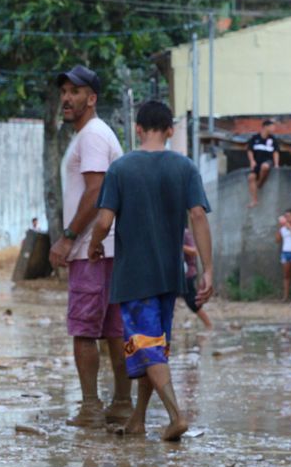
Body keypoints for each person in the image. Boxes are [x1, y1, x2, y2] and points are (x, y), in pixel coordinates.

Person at [89, 100, 213, 442]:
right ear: (171, 130)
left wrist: (93, 244)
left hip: (134, 275)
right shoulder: (185, 167)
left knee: (147, 347)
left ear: (138, 129)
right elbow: (199, 216)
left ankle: (176, 416)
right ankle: (138, 420)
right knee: (153, 346)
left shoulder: (121, 169)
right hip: (169, 276)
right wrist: (208, 270)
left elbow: (103, 219)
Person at [47, 64, 130, 428]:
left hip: (93, 249)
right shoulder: (92, 134)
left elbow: (96, 192)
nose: (66, 98)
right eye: (64, 91)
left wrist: (68, 238)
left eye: (75, 92)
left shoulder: (92, 136)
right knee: (113, 330)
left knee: (84, 330)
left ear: (91, 99)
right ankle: (122, 405)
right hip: (109, 247)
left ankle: (92, 406)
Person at [182, 228, 212, 329]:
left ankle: (209, 325)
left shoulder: (184, 233)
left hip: (187, 274)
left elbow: (194, 251)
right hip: (176, 275)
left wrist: (180, 246)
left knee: (192, 302)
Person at [246, 120, 279, 208]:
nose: (273, 129)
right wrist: (252, 161)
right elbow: (250, 151)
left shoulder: (273, 139)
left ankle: (260, 183)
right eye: (272, 126)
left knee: (265, 167)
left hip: (268, 161)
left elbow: (275, 152)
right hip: (257, 162)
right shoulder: (255, 138)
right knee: (251, 177)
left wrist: (276, 164)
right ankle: (254, 200)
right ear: (265, 127)